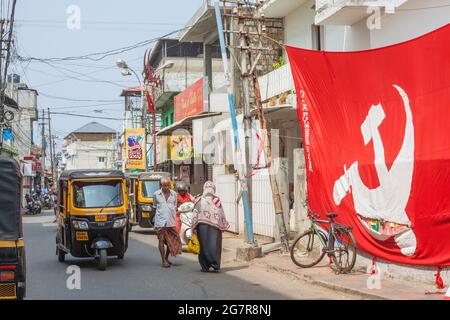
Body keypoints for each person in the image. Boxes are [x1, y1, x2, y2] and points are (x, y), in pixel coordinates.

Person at [192, 181, 230, 272]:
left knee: (203, 246)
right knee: (215, 245)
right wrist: (223, 224)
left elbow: (195, 214)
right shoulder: (216, 200)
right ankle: (215, 265)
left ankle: (205, 267)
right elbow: (221, 213)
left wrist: (193, 227)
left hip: (202, 227)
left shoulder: (199, 199)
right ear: (213, 189)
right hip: (215, 227)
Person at [153, 178, 182, 268]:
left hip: (171, 221)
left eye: (168, 185)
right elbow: (155, 206)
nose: (167, 187)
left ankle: (166, 258)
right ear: (161, 185)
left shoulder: (174, 194)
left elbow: (175, 206)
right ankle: (163, 261)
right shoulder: (156, 194)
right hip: (160, 222)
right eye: (165, 185)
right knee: (161, 240)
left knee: (172, 240)